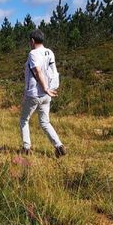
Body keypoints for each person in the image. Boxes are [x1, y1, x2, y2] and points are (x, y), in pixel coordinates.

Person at [20, 29, 66, 158]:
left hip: (35, 93)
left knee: (24, 120)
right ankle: (59, 146)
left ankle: (26, 147)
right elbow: (53, 71)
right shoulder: (49, 52)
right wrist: (49, 88)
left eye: (30, 41)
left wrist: (45, 87)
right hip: (47, 95)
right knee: (45, 122)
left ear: (32, 41)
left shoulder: (33, 53)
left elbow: (37, 71)